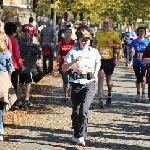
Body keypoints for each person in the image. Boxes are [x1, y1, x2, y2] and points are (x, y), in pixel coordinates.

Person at [62, 29, 101, 146]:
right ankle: (76, 133)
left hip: (89, 83)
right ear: (79, 40)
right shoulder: (73, 52)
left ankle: (81, 136)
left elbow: (98, 62)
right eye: (83, 40)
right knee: (76, 110)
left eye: (87, 40)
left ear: (89, 41)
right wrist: (73, 61)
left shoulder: (94, 52)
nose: (85, 42)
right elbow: (64, 68)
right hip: (76, 83)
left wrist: (95, 73)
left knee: (84, 110)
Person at [93, 18, 122, 108]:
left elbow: (120, 45)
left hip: (109, 59)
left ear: (109, 24)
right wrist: (93, 49)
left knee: (108, 79)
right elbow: (94, 43)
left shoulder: (113, 34)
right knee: (100, 78)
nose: (105, 24)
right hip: (100, 59)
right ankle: (101, 100)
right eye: (104, 23)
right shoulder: (98, 33)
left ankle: (109, 94)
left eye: (106, 23)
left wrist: (112, 44)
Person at [0, 24, 16, 141]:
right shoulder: (5, 53)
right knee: (0, 106)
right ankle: (0, 130)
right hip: (3, 80)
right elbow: (10, 68)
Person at [16, 32, 40, 107]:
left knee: (20, 84)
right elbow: (38, 53)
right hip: (28, 68)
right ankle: (26, 99)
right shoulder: (30, 47)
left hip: (20, 68)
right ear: (29, 39)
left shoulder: (19, 47)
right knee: (28, 84)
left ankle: (18, 99)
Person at [129, 27, 150, 102]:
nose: (141, 33)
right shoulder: (134, 41)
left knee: (143, 77)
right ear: (138, 32)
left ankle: (143, 94)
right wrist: (131, 51)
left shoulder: (148, 41)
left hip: (145, 63)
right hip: (136, 62)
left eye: (143, 31)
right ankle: (138, 93)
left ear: (145, 32)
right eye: (140, 31)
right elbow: (130, 50)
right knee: (138, 78)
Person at [4, 22, 23, 95]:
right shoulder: (14, 40)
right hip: (13, 64)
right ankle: (12, 101)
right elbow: (16, 54)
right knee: (13, 83)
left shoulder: (3, 38)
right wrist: (20, 64)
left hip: (4, 64)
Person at [57, 28, 74, 102]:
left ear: (71, 34)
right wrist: (58, 57)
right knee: (65, 81)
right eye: (66, 32)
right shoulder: (61, 42)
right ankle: (66, 96)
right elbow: (58, 52)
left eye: (69, 33)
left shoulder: (74, 42)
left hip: (71, 64)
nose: (68, 34)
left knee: (72, 80)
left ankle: (71, 92)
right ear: (64, 34)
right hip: (63, 64)